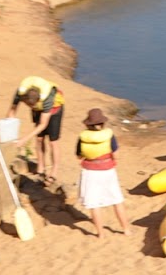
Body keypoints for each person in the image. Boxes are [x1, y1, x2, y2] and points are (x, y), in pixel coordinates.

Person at [76, 107, 130, 238]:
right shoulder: (109, 135)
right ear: (102, 123)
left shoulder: (83, 137)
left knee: (94, 204)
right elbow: (115, 154)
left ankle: (100, 233)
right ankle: (126, 229)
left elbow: (79, 155)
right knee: (117, 200)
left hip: (90, 172)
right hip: (107, 171)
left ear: (88, 124)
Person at [9, 76, 65, 184]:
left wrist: (23, 140)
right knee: (39, 139)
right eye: (28, 105)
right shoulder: (20, 93)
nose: (30, 107)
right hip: (39, 111)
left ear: (38, 100)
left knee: (53, 142)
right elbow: (12, 111)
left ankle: (54, 172)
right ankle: (41, 168)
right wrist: (8, 130)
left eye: (32, 105)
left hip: (54, 110)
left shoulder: (48, 98)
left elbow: (43, 124)